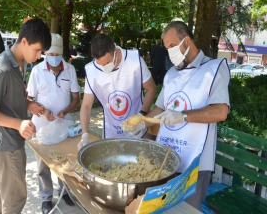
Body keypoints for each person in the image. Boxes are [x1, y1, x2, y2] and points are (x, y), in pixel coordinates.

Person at [125, 21, 230, 211]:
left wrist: (182, 116)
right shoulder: (171, 74)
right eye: (167, 48)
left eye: (172, 46)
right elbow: (160, 108)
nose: (169, 52)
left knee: (186, 211)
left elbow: (221, 111)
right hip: (167, 159)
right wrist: (143, 123)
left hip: (195, 164)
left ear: (187, 40)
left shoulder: (213, 69)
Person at [0, 19, 51, 214]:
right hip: (6, 144)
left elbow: (9, 98)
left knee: (1, 192)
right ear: (24, 42)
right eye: (37, 50)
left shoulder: (20, 61)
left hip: (7, 142)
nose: (38, 56)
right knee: (14, 198)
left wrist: (29, 105)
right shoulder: (2, 69)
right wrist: (19, 123)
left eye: (41, 53)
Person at [27, 33, 80, 214]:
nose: (55, 58)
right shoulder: (37, 71)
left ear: (62, 53)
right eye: (51, 55)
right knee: (43, 163)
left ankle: (64, 191)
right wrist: (42, 111)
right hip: (41, 125)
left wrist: (65, 111)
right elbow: (29, 100)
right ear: (45, 54)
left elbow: (76, 98)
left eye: (57, 55)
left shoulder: (70, 70)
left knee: (64, 159)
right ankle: (46, 197)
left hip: (63, 124)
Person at [80, 33, 157, 139]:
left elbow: (151, 89)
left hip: (139, 129)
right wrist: (85, 134)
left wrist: (142, 114)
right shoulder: (92, 70)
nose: (103, 68)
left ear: (115, 53)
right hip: (111, 130)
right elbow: (86, 105)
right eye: (99, 64)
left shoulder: (135, 61)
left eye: (107, 63)